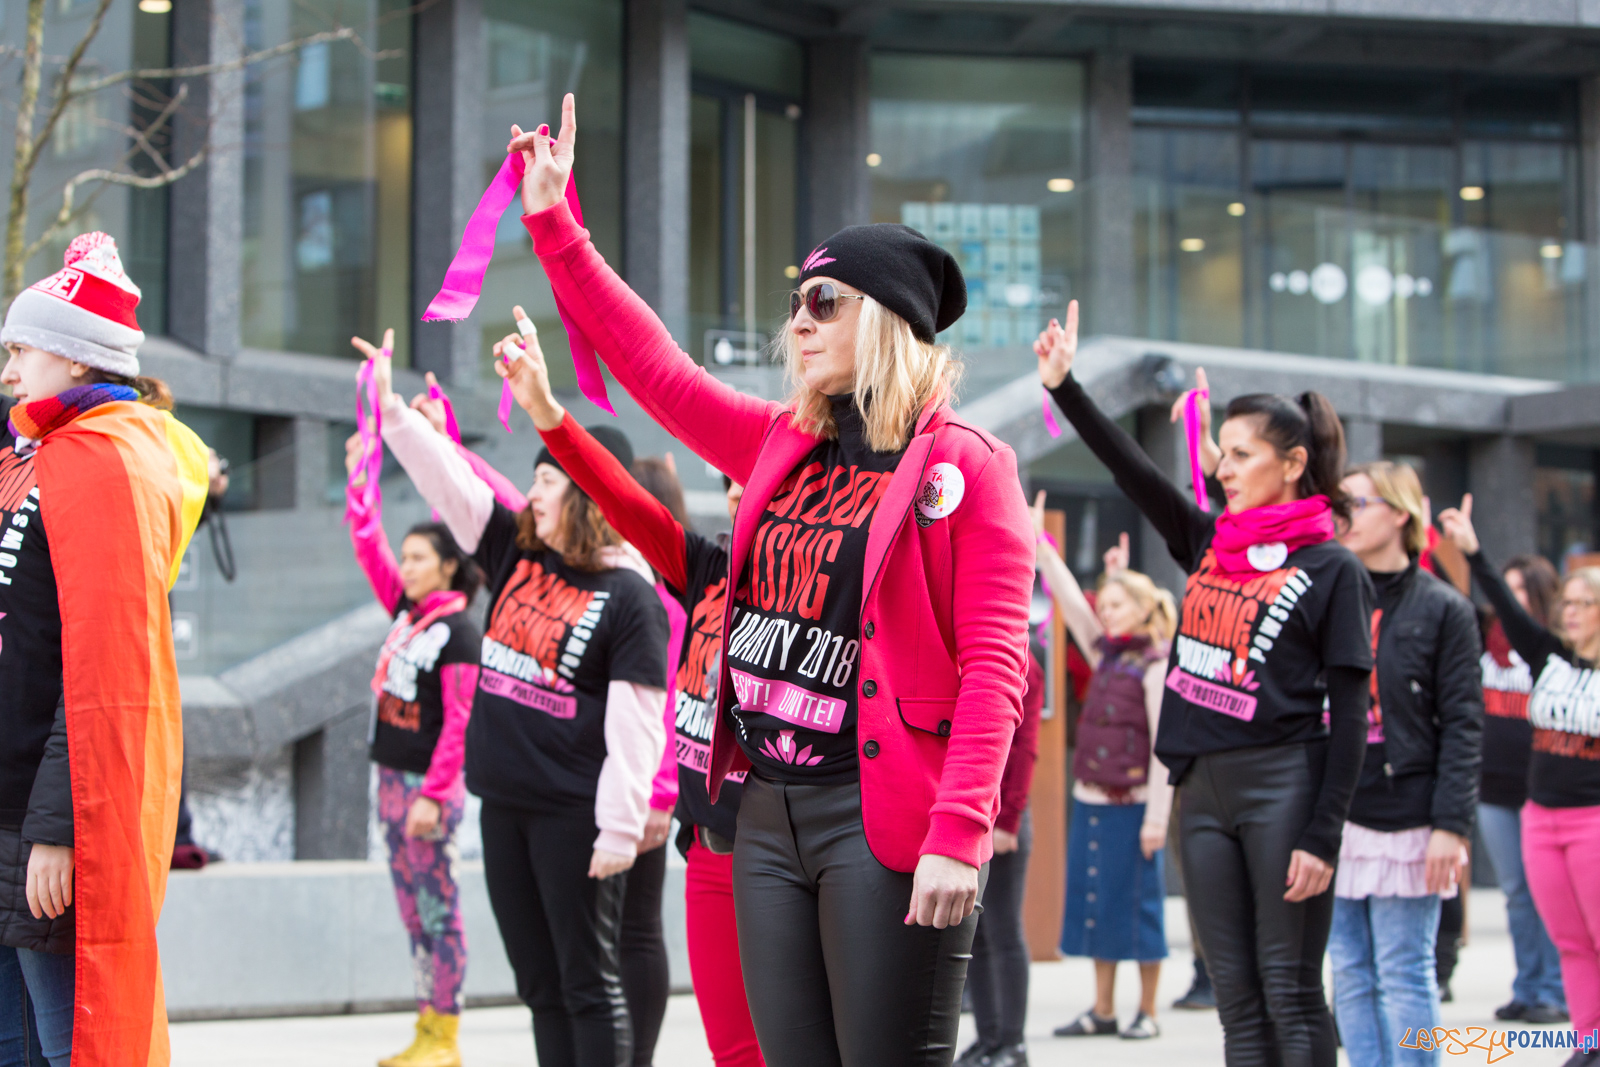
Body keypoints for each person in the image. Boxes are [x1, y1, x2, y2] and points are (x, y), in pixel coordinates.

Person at [508, 96, 1035, 1066]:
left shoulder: (968, 464)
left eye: (823, 302)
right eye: (795, 301)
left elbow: (998, 666)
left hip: (881, 816)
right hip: (765, 811)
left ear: (888, 319)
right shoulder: (781, 443)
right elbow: (656, 370)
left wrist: (962, 828)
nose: (798, 320)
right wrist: (554, 226)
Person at [1039, 315, 1374, 1067]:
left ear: (1293, 463)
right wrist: (1066, 387)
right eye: (1221, 450)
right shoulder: (1210, 543)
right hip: (1202, 789)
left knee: (1290, 989)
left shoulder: (1332, 569)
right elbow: (1133, 471)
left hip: (1285, 785)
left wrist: (1324, 833)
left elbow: (1352, 715)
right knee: (1236, 999)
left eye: (1242, 454)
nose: (1224, 466)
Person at [360, 333, 671, 1067]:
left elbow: (637, 726)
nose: (532, 492)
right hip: (505, 804)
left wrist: (620, 828)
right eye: (532, 478)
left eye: (548, 480)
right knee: (539, 985)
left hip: (574, 815)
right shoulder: (516, 551)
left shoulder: (631, 594)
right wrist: (394, 415)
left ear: (588, 491)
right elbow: (453, 486)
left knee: (587, 983)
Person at [486, 321, 763, 1066]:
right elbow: (619, 496)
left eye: (754, 477)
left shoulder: (817, 586)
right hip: (706, 841)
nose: (738, 491)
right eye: (730, 481)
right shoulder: (701, 569)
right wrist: (546, 410)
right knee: (733, 1049)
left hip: (780, 846)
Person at [0, 232, 209, 1065]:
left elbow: (105, 672)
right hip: (8, 805)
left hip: (51, 818)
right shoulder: (34, 455)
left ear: (76, 357)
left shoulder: (109, 462)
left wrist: (59, 830)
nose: (10, 369)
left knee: (70, 1044)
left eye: (22, 349)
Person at [1326, 462, 1483, 1067]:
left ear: (1399, 513)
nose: (1344, 518)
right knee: (1349, 970)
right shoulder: (1327, 595)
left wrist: (1452, 825)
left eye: (1358, 504)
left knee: (1403, 968)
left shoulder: (1443, 607)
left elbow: (1464, 723)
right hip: (1335, 812)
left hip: (1409, 813)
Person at [1438, 496, 1600, 1067]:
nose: (1570, 613)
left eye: (1584, 604)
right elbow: (1504, 608)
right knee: (1572, 941)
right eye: (1567, 603)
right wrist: (1472, 552)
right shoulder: (1548, 656)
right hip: (1540, 816)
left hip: (1593, 821)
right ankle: (1587, 1042)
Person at [344, 429, 484, 1067]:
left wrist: (433, 795)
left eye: (419, 558)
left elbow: (459, 723)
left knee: (438, 910)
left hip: (428, 791)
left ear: (449, 565)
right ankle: (425, 1025)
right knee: (411, 912)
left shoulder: (458, 633)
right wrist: (361, 477)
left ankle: (446, 1035)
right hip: (390, 783)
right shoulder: (407, 613)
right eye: (405, 557)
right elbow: (366, 543)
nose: (406, 567)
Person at [1030, 496, 1177, 1043]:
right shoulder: (1107, 655)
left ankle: (1147, 1011)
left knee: (1140, 911)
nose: (1106, 612)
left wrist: (1156, 819)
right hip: (1091, 801)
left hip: (1133, 809)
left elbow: (1164, 750)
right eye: (1106, 605)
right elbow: (1072, 604)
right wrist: (1044, 548)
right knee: (1096, 908)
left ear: (1142, 608)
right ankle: (1103, 1009)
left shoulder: (1154, 666)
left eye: (1116, 604)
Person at [1475, 554, 1569, 1024]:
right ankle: (1526, 986)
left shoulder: (1550, 647)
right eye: (1504, 588)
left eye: (1519, 590)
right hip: (1492, 787)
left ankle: (1554, 990)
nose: (1508, 600)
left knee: (1547, 894)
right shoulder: (1483, 638)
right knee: (1515, 892)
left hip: (1539, 789)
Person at [957, 634, 1044, 1067]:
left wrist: (1009, 820)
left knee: (1005, 932)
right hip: (971, 816)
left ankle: (1014, 1043)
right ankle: (989, 1039)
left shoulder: (1023, 659)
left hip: (1004, 819)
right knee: (976, 933)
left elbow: (1025, 746)